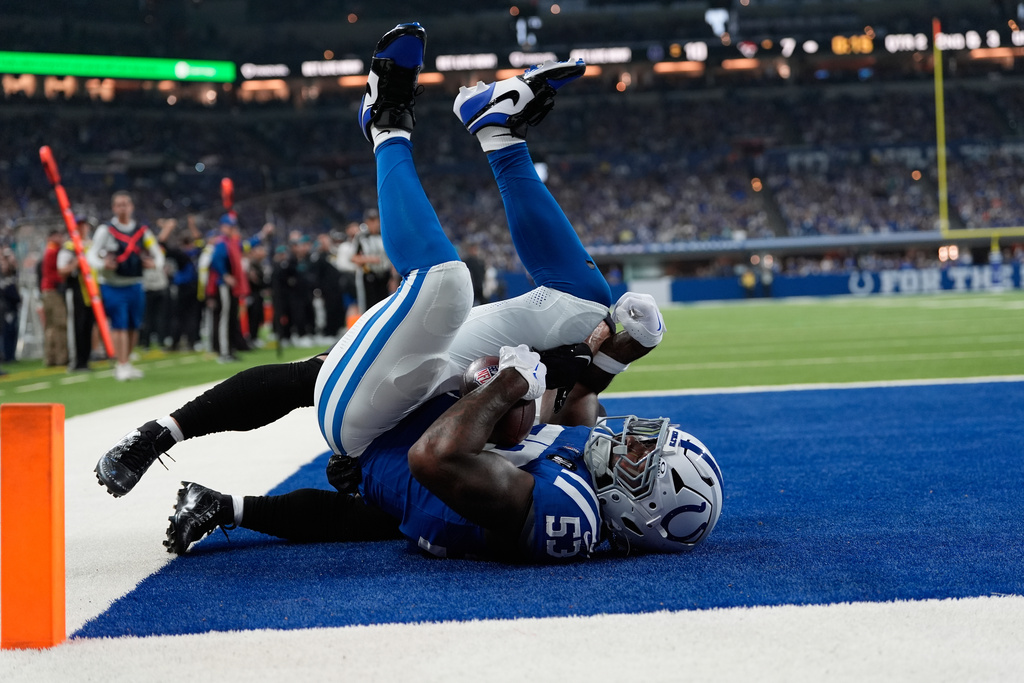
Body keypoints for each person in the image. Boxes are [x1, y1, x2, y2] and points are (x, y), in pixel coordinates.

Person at [96, 24, 722, 563]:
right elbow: (569, 408)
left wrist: (509, 383)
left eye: (646, 462)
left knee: (445, 286)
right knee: (583, 304)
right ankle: (500, 134)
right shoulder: (577, 492)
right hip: (417, 413)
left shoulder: (569, 521)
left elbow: (436, 457)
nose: (637, 444)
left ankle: (385, 119)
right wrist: (608, 358)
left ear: (641, 513)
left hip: (379, 422)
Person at [86, 191, 165, 381]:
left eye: (126, 204)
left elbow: (157, 252)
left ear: (131, 206)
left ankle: (127, 362)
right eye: (119, 205)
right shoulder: (106, 230)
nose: (123, 208)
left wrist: (155, 264)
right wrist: (102, 264)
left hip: (135, 284)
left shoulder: (142, 231)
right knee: (119, 325)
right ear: (114, 208)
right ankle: (120, 364)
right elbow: (91, 254)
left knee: (133, 326)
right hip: (112, 285)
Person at [58, 217, 96, 371]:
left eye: (85, 226)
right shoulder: (69, 247)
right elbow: (61, 270)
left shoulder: (93, 245)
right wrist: (76, 262)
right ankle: (76, 361)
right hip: (76, 291)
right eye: (79, 226)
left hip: (92, 293)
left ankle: (86, 360)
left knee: (88, 327)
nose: (83, 229)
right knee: (76, 327)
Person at [40, 228, 69, 367]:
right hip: (53, 291)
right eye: (58, 236)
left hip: (47, 291)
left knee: (50, 326)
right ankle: (61, 358)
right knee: (60, 324)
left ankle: (50, 357)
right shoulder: (54, 251)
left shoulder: (48, 250)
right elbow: (54, 273)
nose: (61, 238)